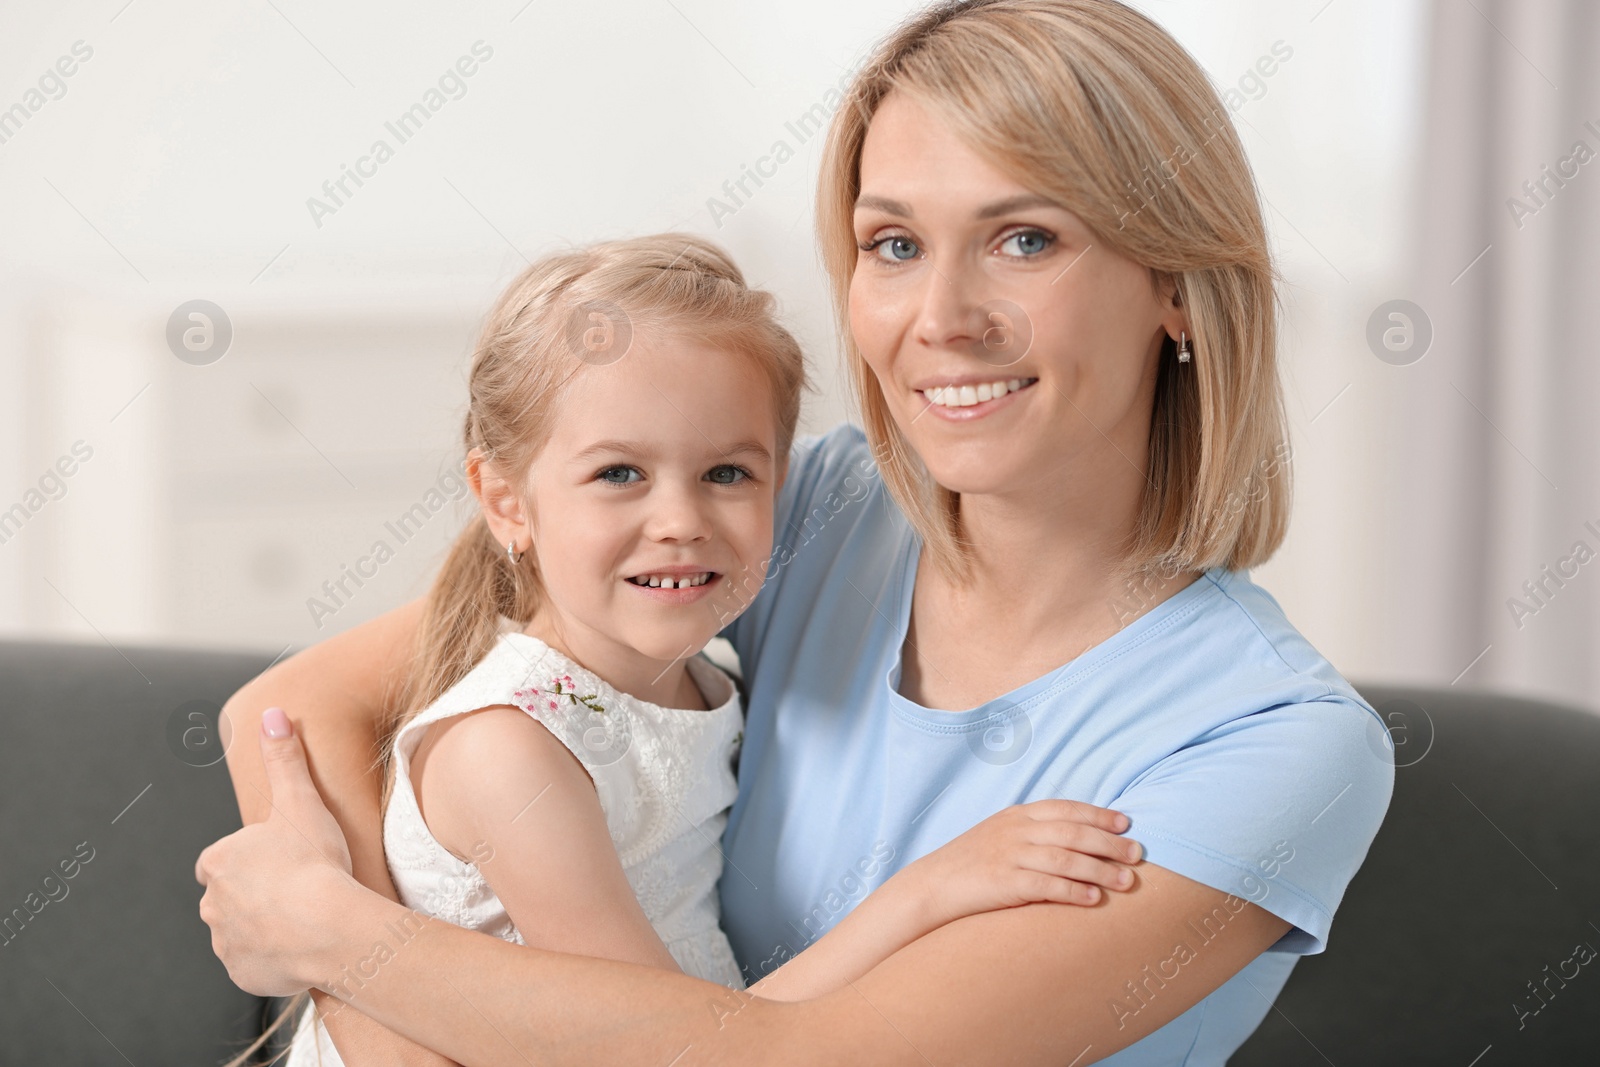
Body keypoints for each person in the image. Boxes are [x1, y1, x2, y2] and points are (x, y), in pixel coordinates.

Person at [197, 2, 1395, 1064]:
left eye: (1025, 238)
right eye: (894, 244)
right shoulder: (802, 508)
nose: (941, 318)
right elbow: (293, 713)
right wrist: (385, 1027)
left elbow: (806, 1057)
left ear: (1177, 283)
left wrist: (342, 937)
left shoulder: (1275, 747)